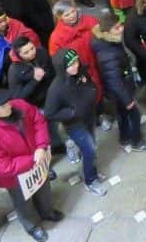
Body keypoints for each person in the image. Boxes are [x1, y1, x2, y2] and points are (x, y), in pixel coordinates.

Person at [0, 90, 62, 242]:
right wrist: (32, 160)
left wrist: (41, 146)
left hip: (38, 161)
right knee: (23, 202)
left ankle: (47, 212)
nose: (9, 105)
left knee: (44, 187)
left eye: (7, 101)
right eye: (3, 106)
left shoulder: (18, 105)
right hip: (15, 177)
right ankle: (32, 226)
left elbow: (38, 119)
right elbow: (0, 166)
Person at [43, 48, 106, 196]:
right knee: (89, 148)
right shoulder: (56, 88)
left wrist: (92, 92)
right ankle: (90, 181)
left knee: (91, 147)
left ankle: (93, 173)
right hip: (74, 124)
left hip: (89, 116)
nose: (76, 66)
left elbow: (90, 85)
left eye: (76, 61)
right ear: (62, 68)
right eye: (71, 64)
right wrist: (71, 113)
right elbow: (50, 113)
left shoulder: (80, 72)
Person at [90, 13, 146, 154]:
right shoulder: (109, 54)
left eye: (120, 25)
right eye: (116, 28)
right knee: (134, 114)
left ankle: (125, 137)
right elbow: (114, 79)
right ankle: (136, 142)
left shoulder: (106, 42)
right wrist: (127, 99)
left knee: (122, 114)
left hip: (118, 90)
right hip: (121, 90)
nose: (121, 29)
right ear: (107, 32)